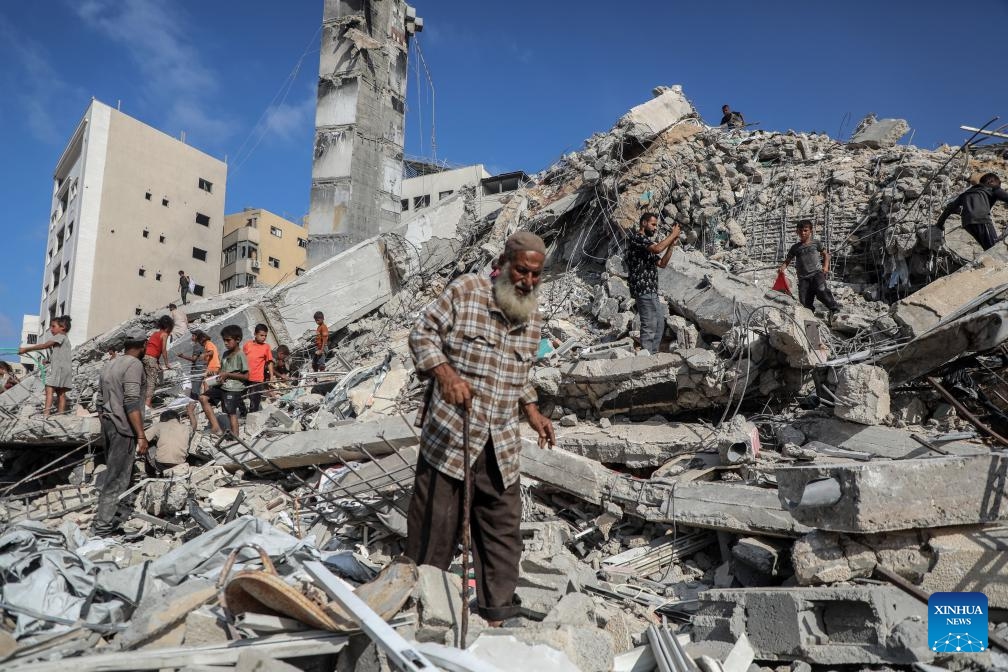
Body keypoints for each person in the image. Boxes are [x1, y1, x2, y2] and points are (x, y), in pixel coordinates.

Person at [406, 230, 556, 625]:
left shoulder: (532, 315)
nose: (527, 281)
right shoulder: (466, 291)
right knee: (435, 531)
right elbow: (422, 335)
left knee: (502, 534)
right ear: (504, 264)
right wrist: (445, 374)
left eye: (535, 275)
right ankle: (425, 610)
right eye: (522, 272)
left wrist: (533, 411)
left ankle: (496, 614)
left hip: (501, 443)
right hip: (452, 436)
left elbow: (520, 371)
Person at [93, 328, 147, 536]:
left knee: (113, 473)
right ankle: (103, 528)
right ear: (142, 346)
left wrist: (108, 421)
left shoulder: (110, 363)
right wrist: (140, 435)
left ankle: (108, 520)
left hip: (108, 424)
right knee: (117, 478)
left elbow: (99, 401)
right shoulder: (134, 365)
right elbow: (131, 402)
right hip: (123, 428)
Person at [625, 213, 680, 355]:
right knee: (649, 324)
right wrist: (673, 235)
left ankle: (652, 354)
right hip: (643, 289)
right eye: (653, 224)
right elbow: (657, 249)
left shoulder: (645, 245)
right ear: (644, 223)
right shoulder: (637, 238)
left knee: (659, 324)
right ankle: (646, 356)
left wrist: (671, 246)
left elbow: (662, 263)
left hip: (651, 290)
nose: (655, 228)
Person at [779, 219, 841, 314]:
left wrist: (825, 267)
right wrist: (782, 268)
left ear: (810, 231)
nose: (803, 233)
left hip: (816, 274)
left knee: (822, 291)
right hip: (803, 278)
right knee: (805, 302)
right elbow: (787, 261)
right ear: (797, 231)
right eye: (800, 231)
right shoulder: (795, 248)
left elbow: (826, 255)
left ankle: (835, 310)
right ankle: (810, 318)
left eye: (805, 230)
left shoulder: (816, 243)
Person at [936, 173, 1008, 250]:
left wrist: (939, 224)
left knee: (988, 248)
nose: (999, 187)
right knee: (994, 249)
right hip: (982, 220)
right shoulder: (994, 189)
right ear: (991, 182)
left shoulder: (966, 193)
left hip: (967, 223)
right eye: (998, 185)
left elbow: (949, 208)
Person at [19, 315, 73, 417]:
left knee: (49, 388)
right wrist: (49, 361)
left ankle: (46, 414)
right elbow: (61, 355)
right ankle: (60, 415)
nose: (51, 329)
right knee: (61, 393)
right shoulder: (66, 339)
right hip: (66, 369)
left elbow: (44, 345)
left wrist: (26, 349)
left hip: (58, 369)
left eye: (53, 326)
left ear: (62, 327)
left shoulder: (59, 336)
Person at [199, 325, 248, 436]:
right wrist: (215, 374)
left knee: (230, 411)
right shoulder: (225, 354)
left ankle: (235, 435)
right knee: (203, 397)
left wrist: (228, 374)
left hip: (234, 387)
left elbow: (246, 376)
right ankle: (216, 427)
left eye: (228, 340)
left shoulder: (241, 355)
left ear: (238, 340)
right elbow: (222, 370)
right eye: (224, 340)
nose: (225, 343)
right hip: (222, 385)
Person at [177, 330, 209, 428]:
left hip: (197, 372)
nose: (191, 337)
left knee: (195, 392)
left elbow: (194, 359)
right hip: (200, 370)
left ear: (196, 337)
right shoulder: (202, 345)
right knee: (195, 392)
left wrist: (182, 356)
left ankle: (199, 412)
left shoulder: (197, 346)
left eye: (193, 336)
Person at [143, 315, 174, 409]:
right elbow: (163, 350)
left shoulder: (155, 334)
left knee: (146, 380)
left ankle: (144, 402)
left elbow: (153, 348)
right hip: (151, 358)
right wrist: (166, 363)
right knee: (152, 382)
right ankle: (147, 404)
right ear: (168, 327)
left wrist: (158, 363)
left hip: (144, 357)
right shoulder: (164, 334)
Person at [243, 324, 274, 412]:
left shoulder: (266, 347)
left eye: (265, 336)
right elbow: (242, 359)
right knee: (240, 396)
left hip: (257, 379)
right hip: (245, 376)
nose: (264, 337)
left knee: (254, 400)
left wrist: (271, 376)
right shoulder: (248, 345)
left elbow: (269, 362)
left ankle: (253, 418)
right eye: (261, 335)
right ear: (255, 334)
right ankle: (243, 414)